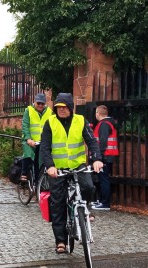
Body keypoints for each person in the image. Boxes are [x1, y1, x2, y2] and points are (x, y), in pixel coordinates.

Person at [40, 93, 103, 254]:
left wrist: (96, 159)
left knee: (88, 187)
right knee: (58, 203)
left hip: (78, 165)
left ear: (70, 108)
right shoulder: (50, 123)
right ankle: (60, 241)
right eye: (58, 107)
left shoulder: (80, 121)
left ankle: (85, 208)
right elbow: (45, 148)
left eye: (64, 107)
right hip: (58, 169)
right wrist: (49, 166)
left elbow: (91, 142)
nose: (61, 110)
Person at [91, 105, 118, 211]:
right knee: (103, 179)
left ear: (98, 113)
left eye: (96, 113)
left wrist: (99, 157)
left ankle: (105, 203)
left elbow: (102, 142)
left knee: (104, 179)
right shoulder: (109, 123)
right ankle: (102, 200)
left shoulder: (104, 124)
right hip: (108, 155)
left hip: (105, 156)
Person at [21, 93, 53, 182]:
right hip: (30, 140)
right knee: (28, 155)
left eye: (42, 104)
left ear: (45, 104)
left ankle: (38, 182)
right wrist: (28, 139)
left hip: (43, 142)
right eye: (38, 103)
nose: (40, 105)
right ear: (34, 102)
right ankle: (24, 173)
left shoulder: (49, 112)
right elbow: (25, 125)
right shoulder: (29, 110)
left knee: (40, 162)